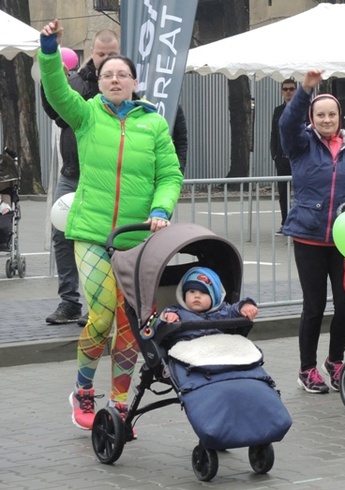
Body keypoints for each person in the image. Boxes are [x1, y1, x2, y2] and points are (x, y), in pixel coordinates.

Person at [39, 19, 184, 430]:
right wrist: (49, 50)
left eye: (123, 74)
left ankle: (120, 403)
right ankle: (84, 389)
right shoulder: (85, 116)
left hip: (138, 239)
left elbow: (170, 175)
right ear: (98, 80)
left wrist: (161, 209)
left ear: (135, 81)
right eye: (107, 74)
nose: (115, 79)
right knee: (101, 315)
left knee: (129, 324)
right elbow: (55, 89)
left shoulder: (154, 123)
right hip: (92, 233)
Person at [279, 69, 345, 394]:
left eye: (331, 114)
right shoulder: (301, 144)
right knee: (314, 306)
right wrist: (306, 89)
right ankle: (307, 369)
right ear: (312, 117)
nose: (326, 119)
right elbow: (287, 124)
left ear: (340, 117)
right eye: (320, 114)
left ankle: (335, 362)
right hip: (308, 236)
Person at [42, 29, 120, 326]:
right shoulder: (77, 82)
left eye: (111, 55)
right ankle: (69, 302)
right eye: (101, 55)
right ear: (92, 51)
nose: (105, 61)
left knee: (103, 240)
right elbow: (57, 111)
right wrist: (52, 81)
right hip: (72, 174)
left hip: (104, 178)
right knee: (61, 236)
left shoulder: (120, 84)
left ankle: (100, 304)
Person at [158, 267, 258, 329]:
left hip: (216, 348)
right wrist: (168, 316)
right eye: (192, 292)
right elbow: (159, 322)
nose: (196, 296)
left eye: (203, 292)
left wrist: (245, 306)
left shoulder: (223, 311)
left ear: (214, 297)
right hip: (188, 349)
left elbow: (234, 309)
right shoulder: (178, 312)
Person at [270, 78, 297, 234]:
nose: (288, 92)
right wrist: (274, 154)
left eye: (291, 89)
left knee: (300, 190)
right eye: (285, 89)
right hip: (282, 158)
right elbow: (273, 133)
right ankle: (285, 222)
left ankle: (298, 222)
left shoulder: (303, 109)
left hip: (298, 157)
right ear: (281, 92)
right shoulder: (278, 110)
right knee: (283, 192)